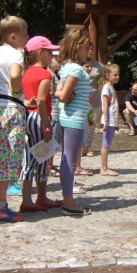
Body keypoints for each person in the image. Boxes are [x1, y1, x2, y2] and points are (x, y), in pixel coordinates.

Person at [0, 15, 32, 222]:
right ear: (13, 36)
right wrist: (17, 91)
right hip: (10, 107)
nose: (27, 37)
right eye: (24, 33)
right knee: (10, 156)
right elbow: (15, 75)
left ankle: (0, 203)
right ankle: (0, 205)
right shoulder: (15, 54)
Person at [19, 36, 62, 212]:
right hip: (40, 118)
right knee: (38, 158)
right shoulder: (45, 74)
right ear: (41, 53)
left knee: (36, 157)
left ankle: (35, 197)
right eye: (50, 52)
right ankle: (32, 199)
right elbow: (42, 101)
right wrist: (46, 125)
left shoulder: (27, 72)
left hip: (28, 117)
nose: (52, 56)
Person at [56, 25, 93, 216]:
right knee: (70, 160)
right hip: (74, 119)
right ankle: (68, 202)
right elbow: (63, 95)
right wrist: (69, 96)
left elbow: (58, 92)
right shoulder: (76, 70)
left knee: (67, 159)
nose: (89, 50)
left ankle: (67, 199)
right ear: (77, 46)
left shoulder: (67, 67)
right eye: (86, 47)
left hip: (70, 118)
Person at [100, 64, 120, 176]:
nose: (117, 77)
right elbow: (105, 105)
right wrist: (106, 121)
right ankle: (104, 168)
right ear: (108, 75)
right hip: (109, 120)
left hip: (112, 120)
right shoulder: (106, 88)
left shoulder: (111, 88)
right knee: (106, 144)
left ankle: (105, 167)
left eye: (118, 75)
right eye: (115, 75)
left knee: (107, 143)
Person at [83, 54, 104, 156]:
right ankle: (80, 147)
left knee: (91, 122)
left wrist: (100, 91)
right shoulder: (77, 63)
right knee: (82, 124)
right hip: (82, 99)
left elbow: (101, 81)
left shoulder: (99, 66)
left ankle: (87, 147)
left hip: (94, 98)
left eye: (91, 49)